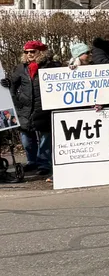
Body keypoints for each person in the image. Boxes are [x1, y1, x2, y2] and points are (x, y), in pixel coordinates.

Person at [7, 40, 55, 176]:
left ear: (40, 52)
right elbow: (12, 86)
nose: (29, 54)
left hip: (43, 108)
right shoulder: (21, 68)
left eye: (32, 51)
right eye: (26, 52)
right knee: (27, 139)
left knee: (45, 138)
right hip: (25, 109)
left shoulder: (49, 67)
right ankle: (31, 161)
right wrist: (16, 101)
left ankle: (44, 163)